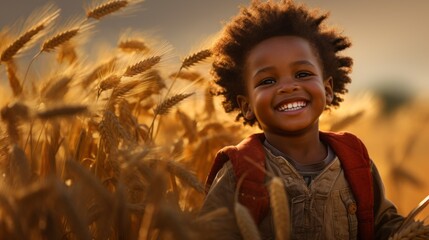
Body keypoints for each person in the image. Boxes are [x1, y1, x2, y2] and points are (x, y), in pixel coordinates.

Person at [199, 1, 404, 239]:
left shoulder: (355, 161)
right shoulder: (240, 171)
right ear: (246, 106)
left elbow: (386, 226)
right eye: (267, 81)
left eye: (302, 74)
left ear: (327, 89)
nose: (288, 86)